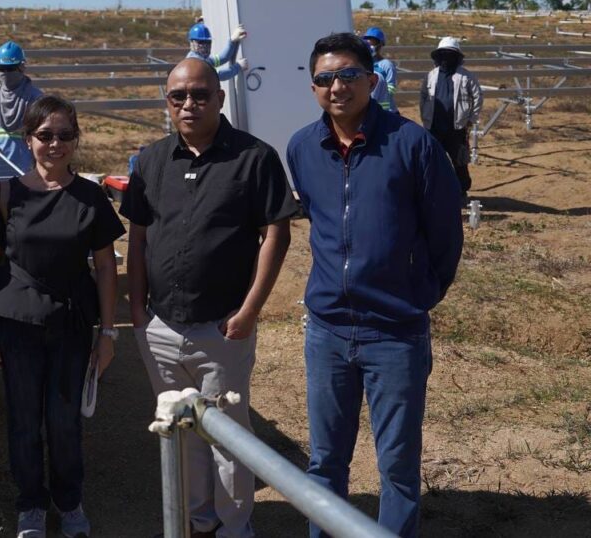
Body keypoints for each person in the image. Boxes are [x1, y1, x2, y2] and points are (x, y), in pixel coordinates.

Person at [286, 33, 464, 538]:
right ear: (314, 86)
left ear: (371, 79)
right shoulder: (302, 147)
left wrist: (420, 294)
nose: (336, 86)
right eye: (324, 78)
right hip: (328, 331)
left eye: (346, 75)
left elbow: (445, 234)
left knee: (398, 467)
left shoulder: (413, 145)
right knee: (325, 459)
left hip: (395, 332)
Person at [123, 58, 298, 538]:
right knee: (182, 436)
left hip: (223, 327)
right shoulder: (151, 160)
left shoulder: (254, 158)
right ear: (167, 102)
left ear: (220, 98)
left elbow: (275, 235)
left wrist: (249, 311)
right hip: (160, 326)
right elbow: (137, 238)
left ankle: (234, 528)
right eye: (178, 96)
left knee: (229, 438)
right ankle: (199, 521)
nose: (188, 104)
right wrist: (138, 310)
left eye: (200, 94)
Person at [0, 95, 125, 538]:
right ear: (29, 139)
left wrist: (109, 332)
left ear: (75, 140)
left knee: (64, 421)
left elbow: (103, 267)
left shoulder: (91, 198)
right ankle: (31, 506)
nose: (55, 144)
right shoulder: (6, 194)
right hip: (16, 326)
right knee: (23, 420)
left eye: (64, 135)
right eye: (45, 135)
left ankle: (69, 500)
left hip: (71, 325)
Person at [420, 36, 483, 205]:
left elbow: (477, 97)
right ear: (438, 57)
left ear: (457, 56)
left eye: (450, 54)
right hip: (434, 127)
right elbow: (424, 97)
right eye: (443, 54)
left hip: (457, 127)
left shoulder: (466, 76)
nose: (446, 58)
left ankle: (462, 191)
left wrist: (471, 119)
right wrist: (426, 119)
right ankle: (433, 192)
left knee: (459, 161)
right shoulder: (431, 76)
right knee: (432, 161)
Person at [0, 40, 43, 168]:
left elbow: (41, 137)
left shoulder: (35, 98)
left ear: (21, 68)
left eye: (10, 68)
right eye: (1, 68)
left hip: (26, 168)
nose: (5, 73)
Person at [362, 26, 398, 113]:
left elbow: (391, 89)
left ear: (380, 45)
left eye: (373, 43)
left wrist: (377, 92)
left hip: (386, 112)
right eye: (368, 42)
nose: (370, 46)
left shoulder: (387, 65)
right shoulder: (361, 64)